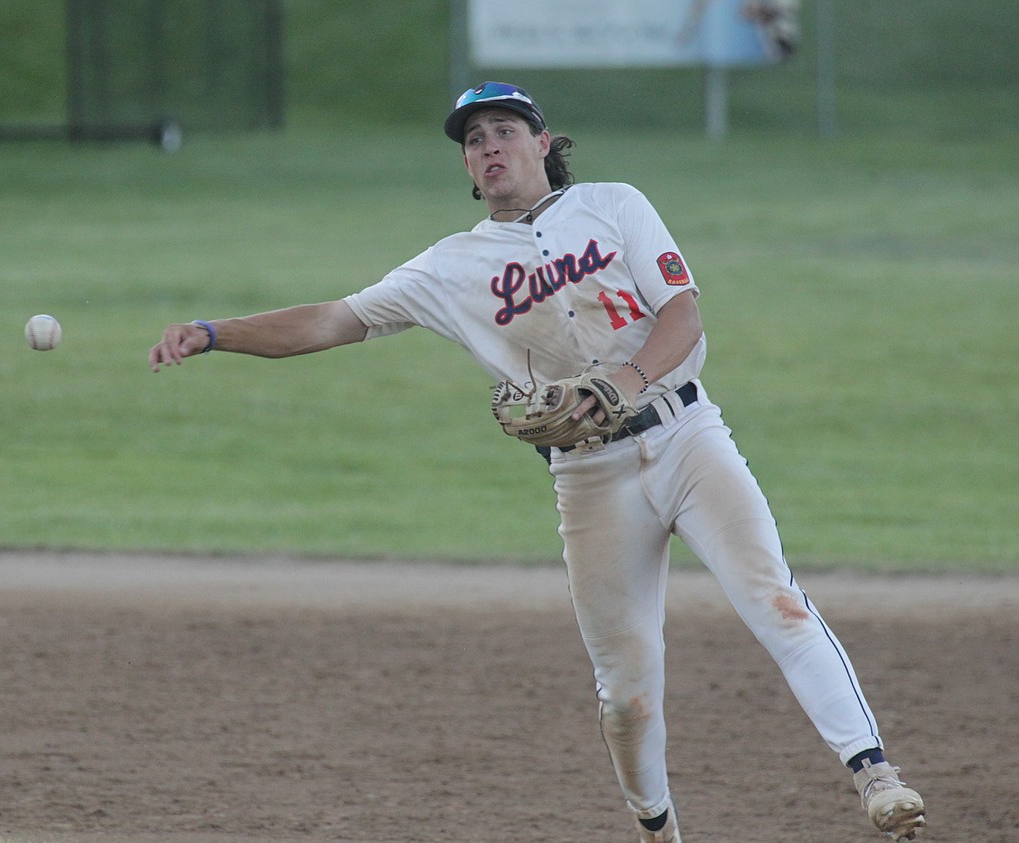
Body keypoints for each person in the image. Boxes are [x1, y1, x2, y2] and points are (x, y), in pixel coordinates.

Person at [148, 81, 926, 843]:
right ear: (466, 166)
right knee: (626, 692)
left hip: (688, 435)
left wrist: (622, 383)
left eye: (504, 131)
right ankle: (658, 829)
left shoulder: (616, 204)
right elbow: (330, 320)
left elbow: (682, 315)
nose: (489, 147)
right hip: (589, 477)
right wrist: (215, 331)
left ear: (543, 144)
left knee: (776, 600)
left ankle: (876, 776)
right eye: (474, 140)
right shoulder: (449, 268)